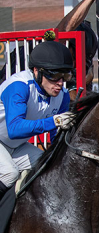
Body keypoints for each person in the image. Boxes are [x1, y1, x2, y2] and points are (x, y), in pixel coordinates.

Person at [0, 40, 75, 198]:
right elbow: (14, 129)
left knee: (50, 168)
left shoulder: (63, 96)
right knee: (9, 173)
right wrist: (53, 121)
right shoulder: (20, 86)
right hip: (6, 141)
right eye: (54, 75)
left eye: (65, 75)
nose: (60, 83)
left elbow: (56, 137)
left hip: (15, 146)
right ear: (36, 71)